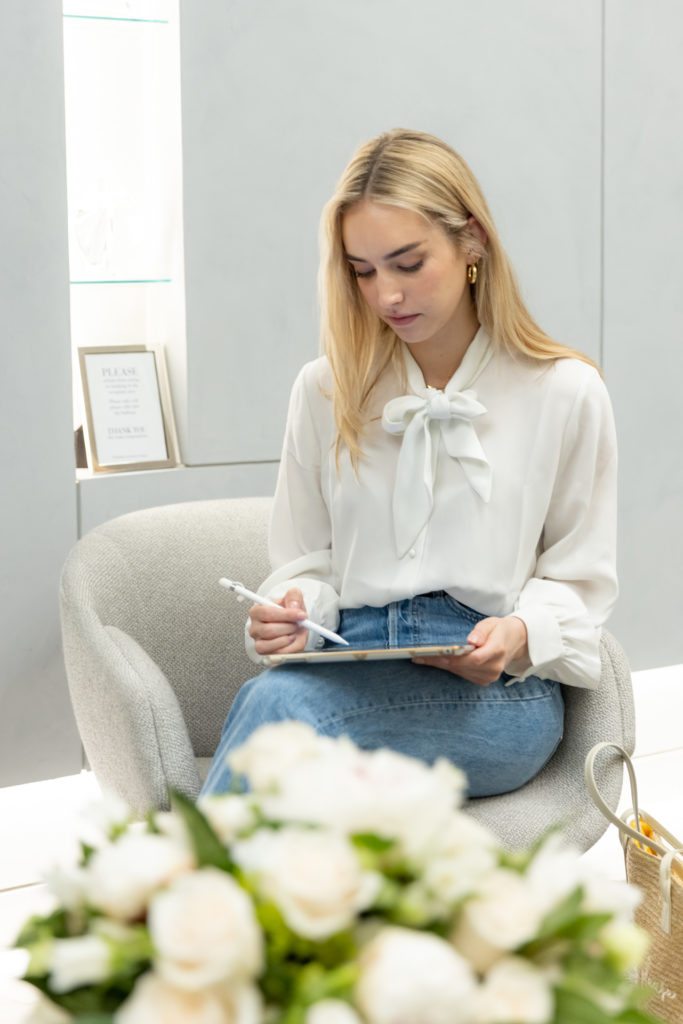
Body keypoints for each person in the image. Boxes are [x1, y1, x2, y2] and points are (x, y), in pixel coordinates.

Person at [201, 128, 617, 799]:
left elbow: (580, 577)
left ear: (471, 241)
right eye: (362, 271)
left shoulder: (565, 391)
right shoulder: (324, 390)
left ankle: (166, 894)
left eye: (407, 262)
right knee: (279, 715)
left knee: (277, 717)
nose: (386, 294)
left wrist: (516, 634)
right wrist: (292, 608)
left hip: (496, 695)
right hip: (349, 656)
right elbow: (306, 560)